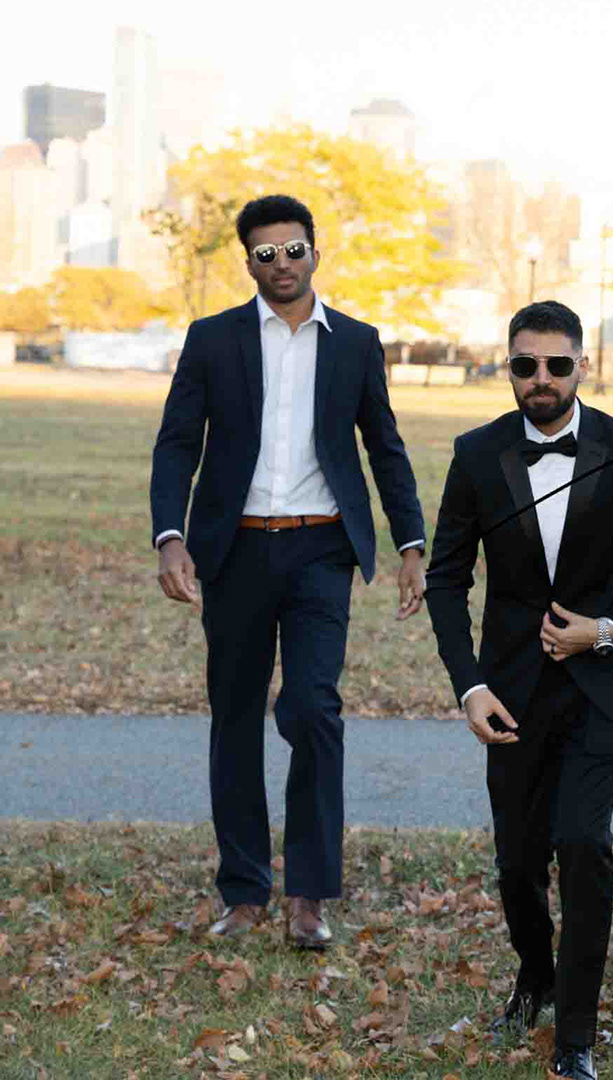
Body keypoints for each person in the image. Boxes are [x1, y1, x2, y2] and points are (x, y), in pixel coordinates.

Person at [422, 300, 613, 1080]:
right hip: (510, 691)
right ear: (507, 366)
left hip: (603, 686)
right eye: (524, 365)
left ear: (583, 366)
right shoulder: (477, 455)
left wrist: (607, 628)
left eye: (556, 364)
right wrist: (469, 686)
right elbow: (446, 579)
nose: (540, 379)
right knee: (517, 861)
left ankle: (575, 1034)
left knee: (582, 843)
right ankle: (536, 976)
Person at [149, 194, 426, 949]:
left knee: (312, 710)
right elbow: (177, 444)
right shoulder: (213, 339)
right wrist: (171, 537)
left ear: (314, 253)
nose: (282, 264)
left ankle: (309, 895)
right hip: (234, 551)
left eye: (294, 249)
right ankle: (244, 893)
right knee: (235, 716)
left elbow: (385, 448)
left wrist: (410, 544)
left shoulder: (356, 343)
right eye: (266, 253)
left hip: (321, 551)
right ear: (249, 263)